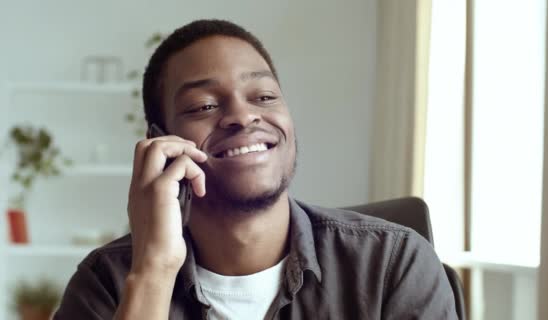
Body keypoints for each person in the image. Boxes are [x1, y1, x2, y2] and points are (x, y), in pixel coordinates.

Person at [54, 19, 457, 320]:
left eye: (263, 96)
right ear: (161, 141)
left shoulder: (392, 263)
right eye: (204, 106)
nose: (243, 116)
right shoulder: (106, 282)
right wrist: (154, 270)